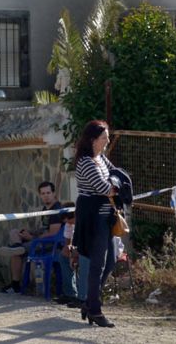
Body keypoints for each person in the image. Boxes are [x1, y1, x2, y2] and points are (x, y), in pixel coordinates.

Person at [72, 119, 117, 327]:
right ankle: (95, 310)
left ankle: (90, 302)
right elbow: (104, 188)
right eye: (104, 137)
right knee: (98, 264)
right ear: (93, 139)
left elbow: (117, 175)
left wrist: (116, 185)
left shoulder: (102, 159)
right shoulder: (86, 162)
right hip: (93, 216)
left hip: (106, 215)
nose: (107, 141)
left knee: (111, 261)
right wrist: (116, 187)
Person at [0, 181, 62, 294]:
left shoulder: (56, 209)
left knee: (16, 253)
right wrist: (28, 233)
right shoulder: (45, 209)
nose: (46, 196)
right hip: (40, 238)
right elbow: (44, 228)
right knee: (15, 232)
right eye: (43, 193)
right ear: (40, 195)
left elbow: (53, 233)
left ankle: (15, 283)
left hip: (49, 244)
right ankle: (17, 246)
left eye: (48, 193)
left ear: (53, 193)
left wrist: (32, 238)